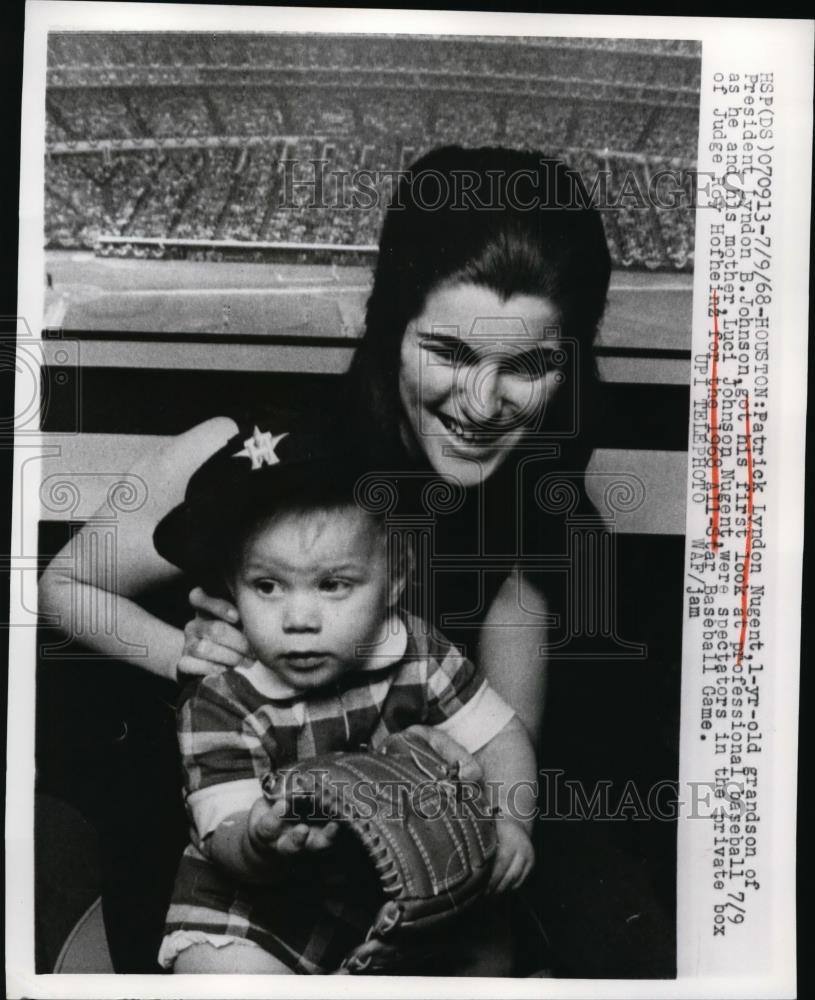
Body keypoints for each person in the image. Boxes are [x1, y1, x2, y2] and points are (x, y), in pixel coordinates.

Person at [38, 146, 611, 972]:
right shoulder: (252, 450)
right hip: (223, 839)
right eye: (448, 351)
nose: (483, 405)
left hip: (395, 870)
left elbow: (504, 758)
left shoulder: (535, 517)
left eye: (527, 366)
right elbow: (65, 586)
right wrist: (192, 659)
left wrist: (463, 794)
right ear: (389, 328)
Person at [152, 425, 536, 974]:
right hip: (263, 909)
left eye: (333, 585)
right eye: (267, 586)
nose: (300, 619)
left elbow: (500, 735)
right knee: (223, 970)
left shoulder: (417, 652)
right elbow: (224, 830)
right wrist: (260, 838)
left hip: (407, 894)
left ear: (395, 579)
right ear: (230, 588)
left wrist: (511, 821)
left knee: (494, 950)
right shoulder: (223, 698)